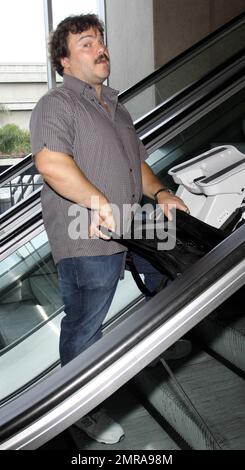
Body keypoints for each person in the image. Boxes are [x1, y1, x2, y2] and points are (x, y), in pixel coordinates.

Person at [30, 14, 190, 445]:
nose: (101, 49)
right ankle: (81, 407)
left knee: (175, 261)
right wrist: (99, 202)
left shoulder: (115, 107)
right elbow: (51, 162)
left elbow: (137, 165)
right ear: (64, 61)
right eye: (86, 43)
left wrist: (160, 194)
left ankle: (164, 336)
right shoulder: (56, 104)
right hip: (86, 227)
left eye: (101, 41)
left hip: (131, 219)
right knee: (85, 326)